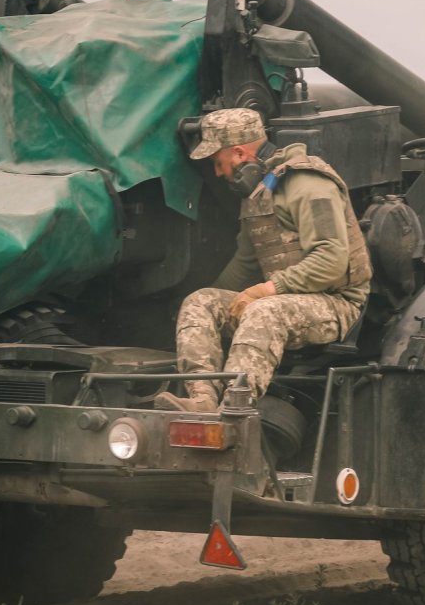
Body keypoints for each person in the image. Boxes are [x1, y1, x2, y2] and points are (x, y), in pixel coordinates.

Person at [159, 108, 371, 412]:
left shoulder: (308, 183)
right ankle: (202, 401)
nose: (218, 173)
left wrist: (264, 291)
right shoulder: (258, 194)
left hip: (335, 303)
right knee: (199, 301)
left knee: (264, 310)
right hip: (287, 300)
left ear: (240, 152)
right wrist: (221, 306)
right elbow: (245, 264)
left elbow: (331, 260)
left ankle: (233, 408)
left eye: (218, 162)